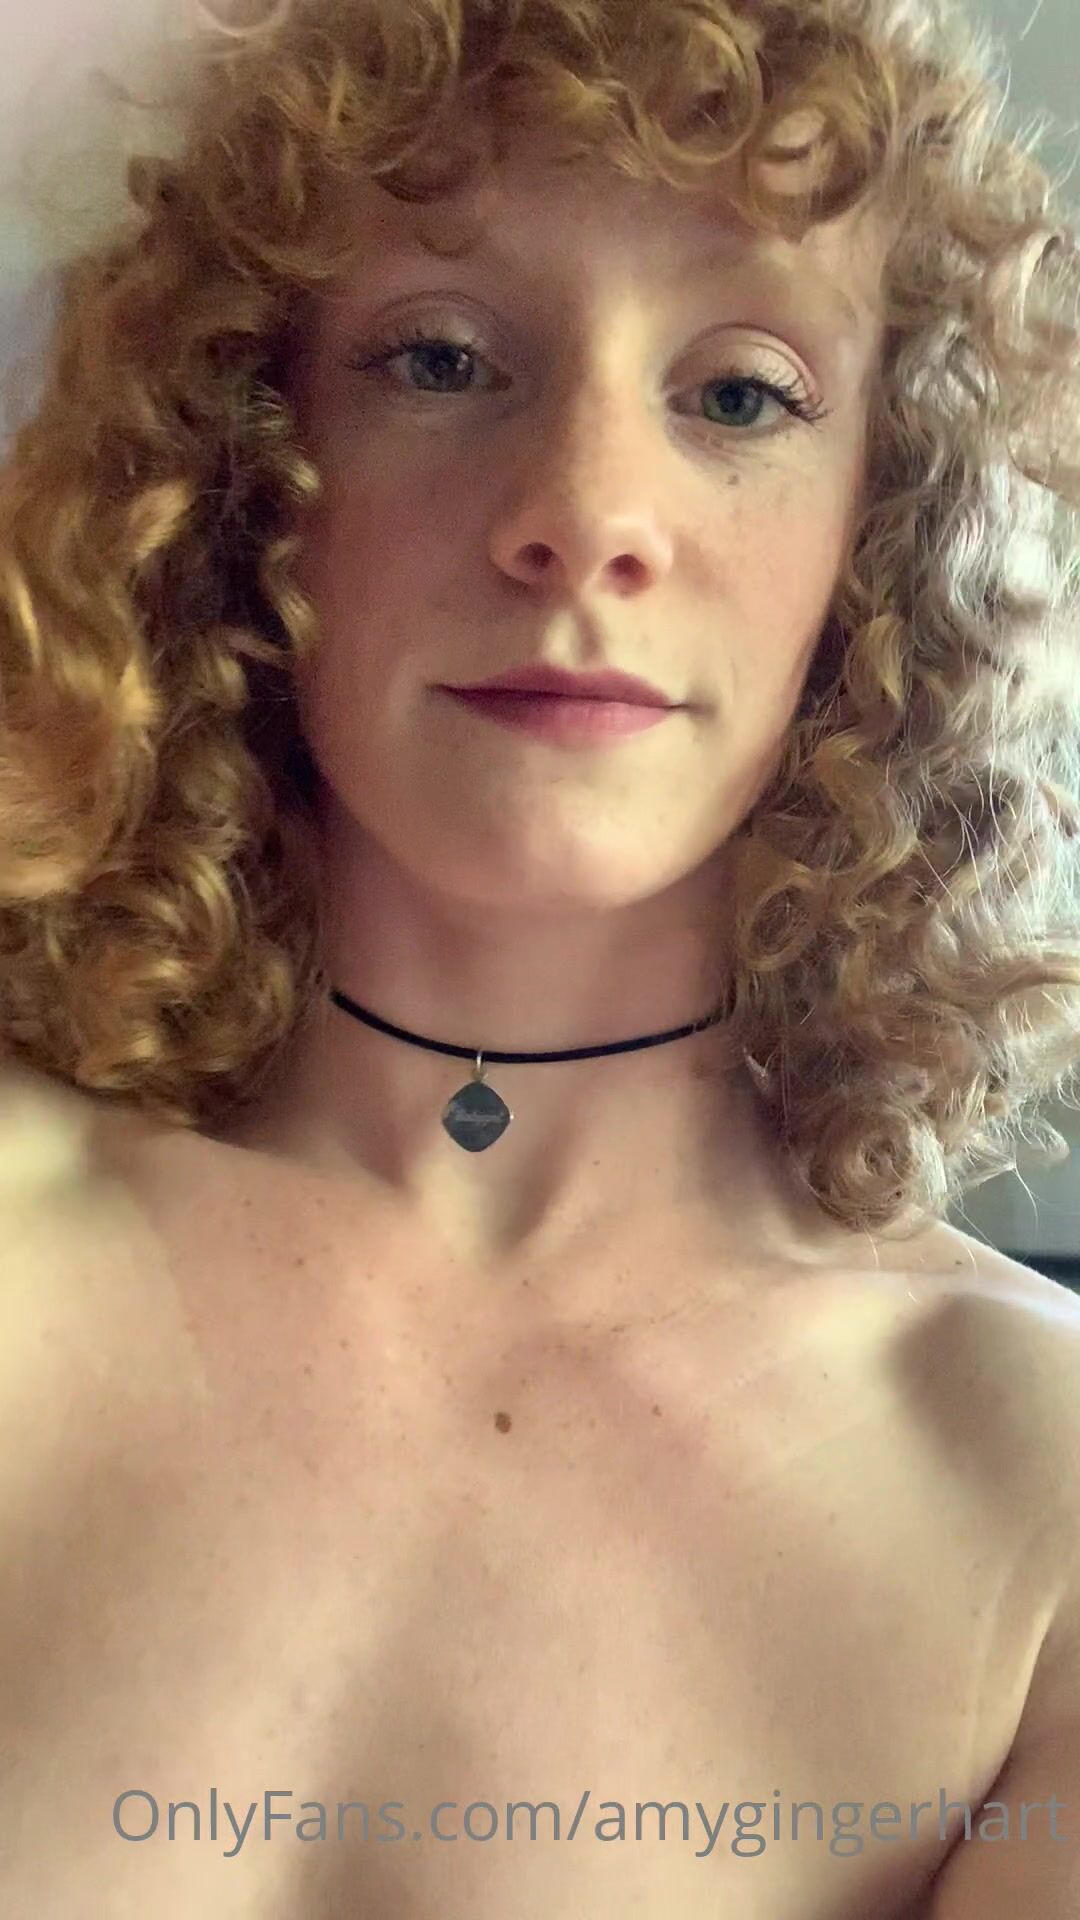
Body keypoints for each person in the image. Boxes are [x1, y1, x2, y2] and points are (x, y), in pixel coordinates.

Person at [1, 0, 1079, 1913]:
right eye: (440, 358)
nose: (584, 519)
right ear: (245, 470)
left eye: (740, 395)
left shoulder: (1039, 1506)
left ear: (885, 528)